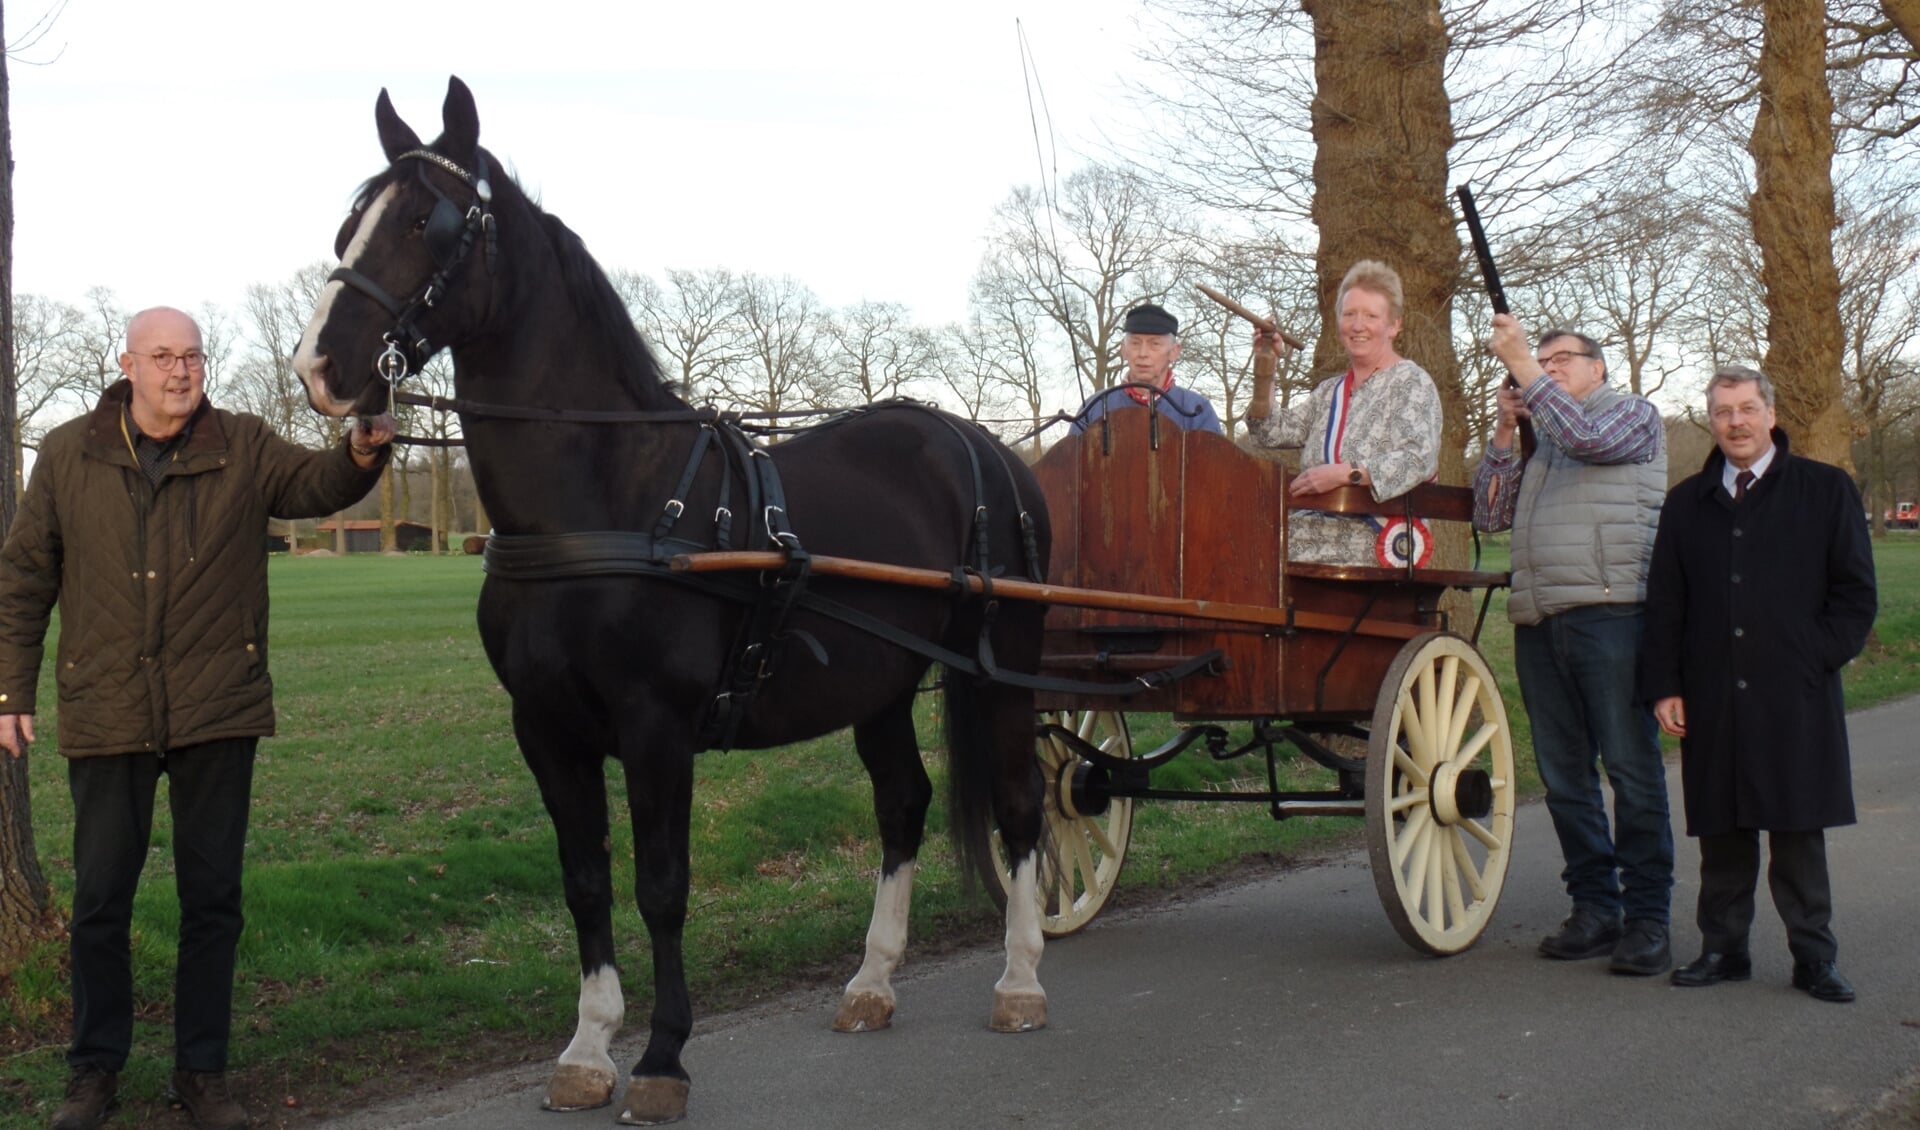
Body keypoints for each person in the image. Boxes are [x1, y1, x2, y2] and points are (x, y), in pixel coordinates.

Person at [0, 307, 394, 1130]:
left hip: (219, 706)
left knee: (212, 899)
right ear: (129, 364)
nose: (182, 371)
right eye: (165, 357)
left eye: (193, 356)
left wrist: (361, 449)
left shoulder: (243, 443)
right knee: (103, 899)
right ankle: (93, 1072)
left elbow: (319, 486)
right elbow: (26, 578)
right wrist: (12, 691)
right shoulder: (69, 452)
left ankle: (201, 1072)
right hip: (108, 705)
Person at [1641, 366, 1876, 1003]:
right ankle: (1723, 949)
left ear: (1770, 413)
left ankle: (1815, 959)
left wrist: (1813, 657)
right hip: (1711, 689)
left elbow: (1856, 596)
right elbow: (1666, 602)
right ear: (1711, 422)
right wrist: (1665, 686)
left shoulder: (1825, 490)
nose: (1736, 422)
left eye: (1747, 409)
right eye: (1723, 412)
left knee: (1798, 828)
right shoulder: (1687, 502)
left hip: (1794, 690)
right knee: (1721, 828)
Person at [1471, 317, 1674, 975]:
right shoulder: (1542, 438)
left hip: (1613, 615)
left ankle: (1647, 918)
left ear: (1600, 368)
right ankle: (1595, 908)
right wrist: (1506, 427)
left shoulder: (1631, 416)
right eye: (1543, 359)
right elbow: (1489, 514)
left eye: (1564, 359)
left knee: (1630, 769)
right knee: (1564, 779)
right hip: (1540, 620)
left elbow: (1587, 437)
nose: (1549, 367)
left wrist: (1526, 368)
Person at [1248, 260, 1441, 566]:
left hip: (1371, 542)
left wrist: (1344, 474)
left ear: (1394, 325)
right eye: (1349, 314)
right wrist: (1266, 362)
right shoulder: (1328, 391)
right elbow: (1268, 431)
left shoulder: (1411, 381)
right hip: (1306, 533)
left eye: (1370, 315)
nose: (1357, 325)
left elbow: (1417, 459)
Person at [1070, 302, 1224, 435]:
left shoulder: (1196, 410)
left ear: (1174, 352)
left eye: (1154, 344)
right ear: (1123, 350)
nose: (1143, 354)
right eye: (1135, 343)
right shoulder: (1094, 407)